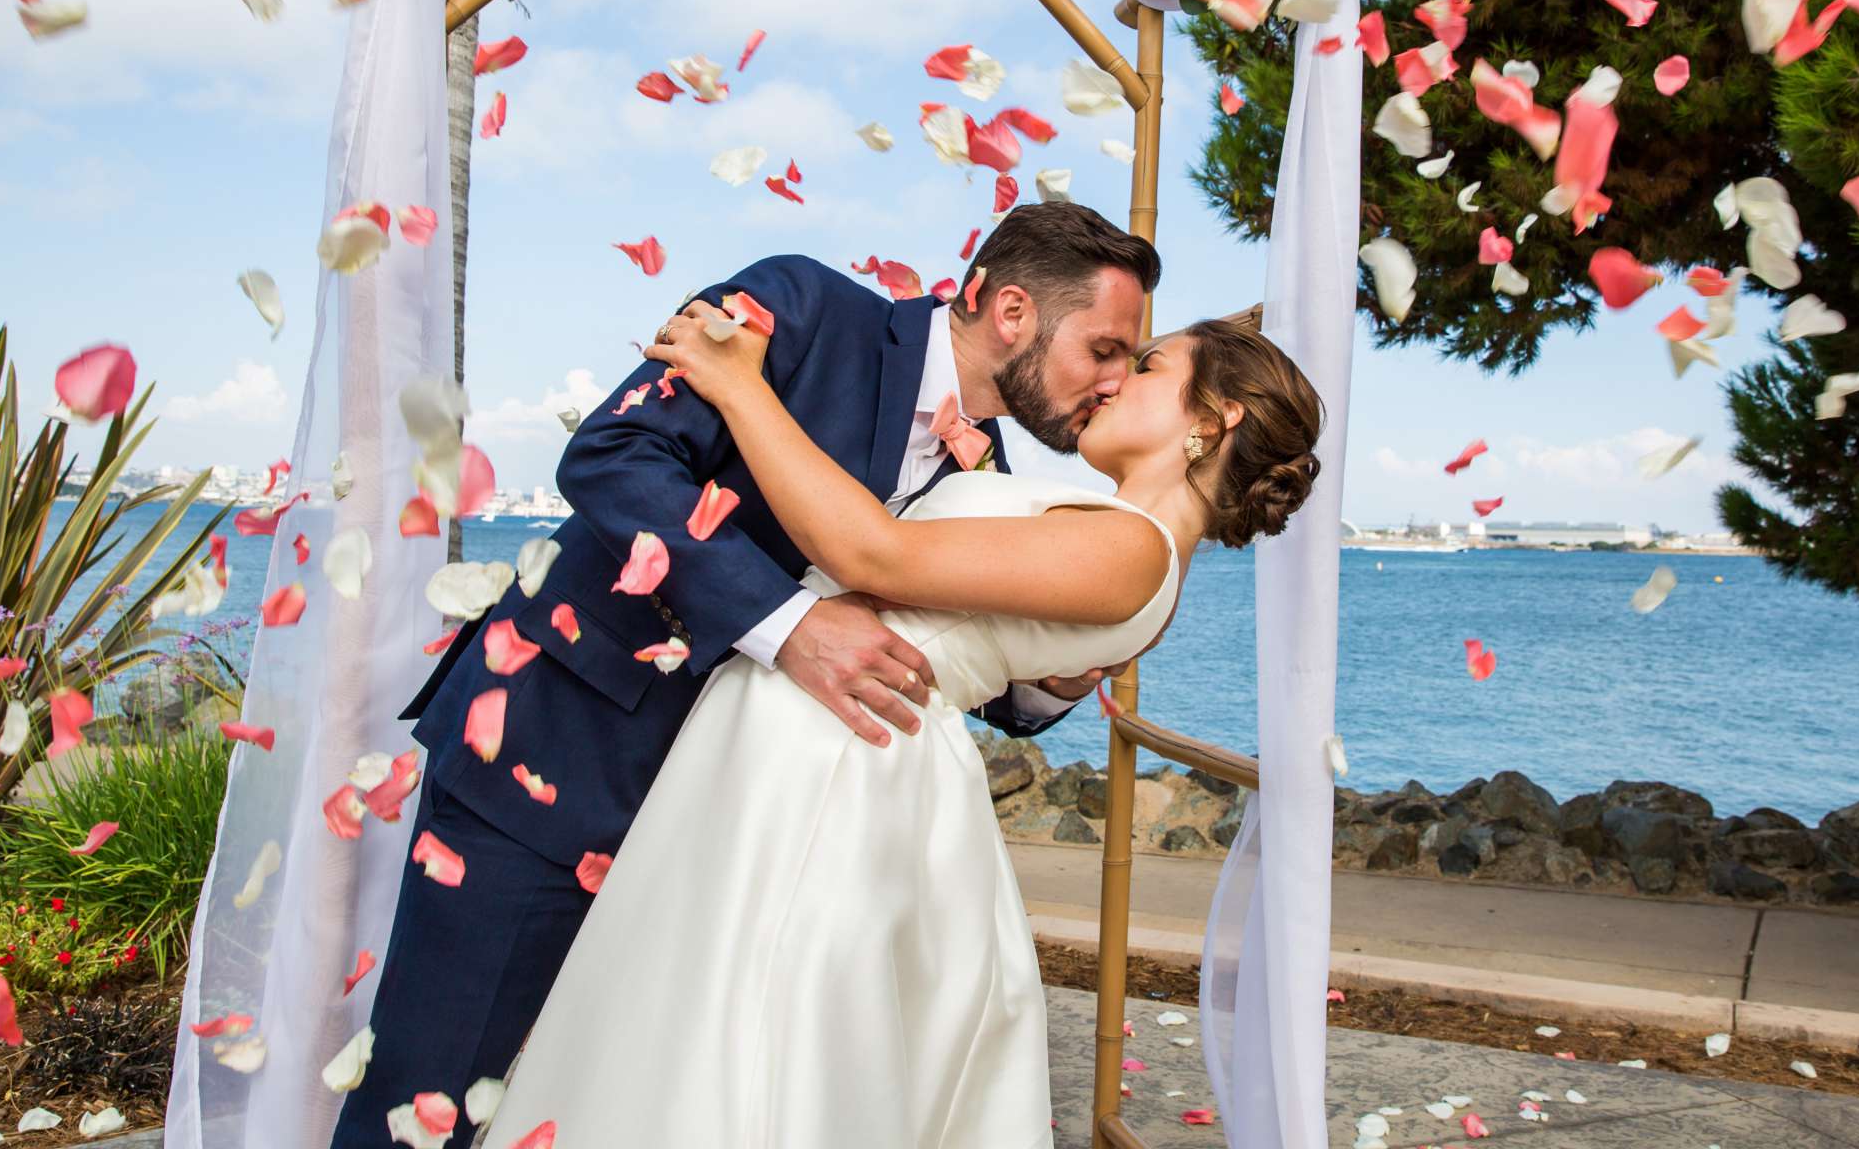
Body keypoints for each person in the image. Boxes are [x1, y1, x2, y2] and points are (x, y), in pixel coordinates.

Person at [336, 204, 1165, 1149]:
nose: (1112, 381)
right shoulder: (800, 308)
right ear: (1013, 312)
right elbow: (613, 455)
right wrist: (790, 624)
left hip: (729, 842)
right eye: (1103, 348)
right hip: (558, 769)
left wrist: (1052, 677)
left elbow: (944, 654)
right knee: (422, 1106)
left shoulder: (998, 474)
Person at [473, 304, 1322, 1148]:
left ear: (1214, 419)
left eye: (1146, 366)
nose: (1112, 380)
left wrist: (739, 388)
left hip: (830, 755)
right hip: (810, 730)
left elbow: (873, 556)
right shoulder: (1117, 534)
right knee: (708, 1015)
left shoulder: (1135, 549)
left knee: (742, 1027)